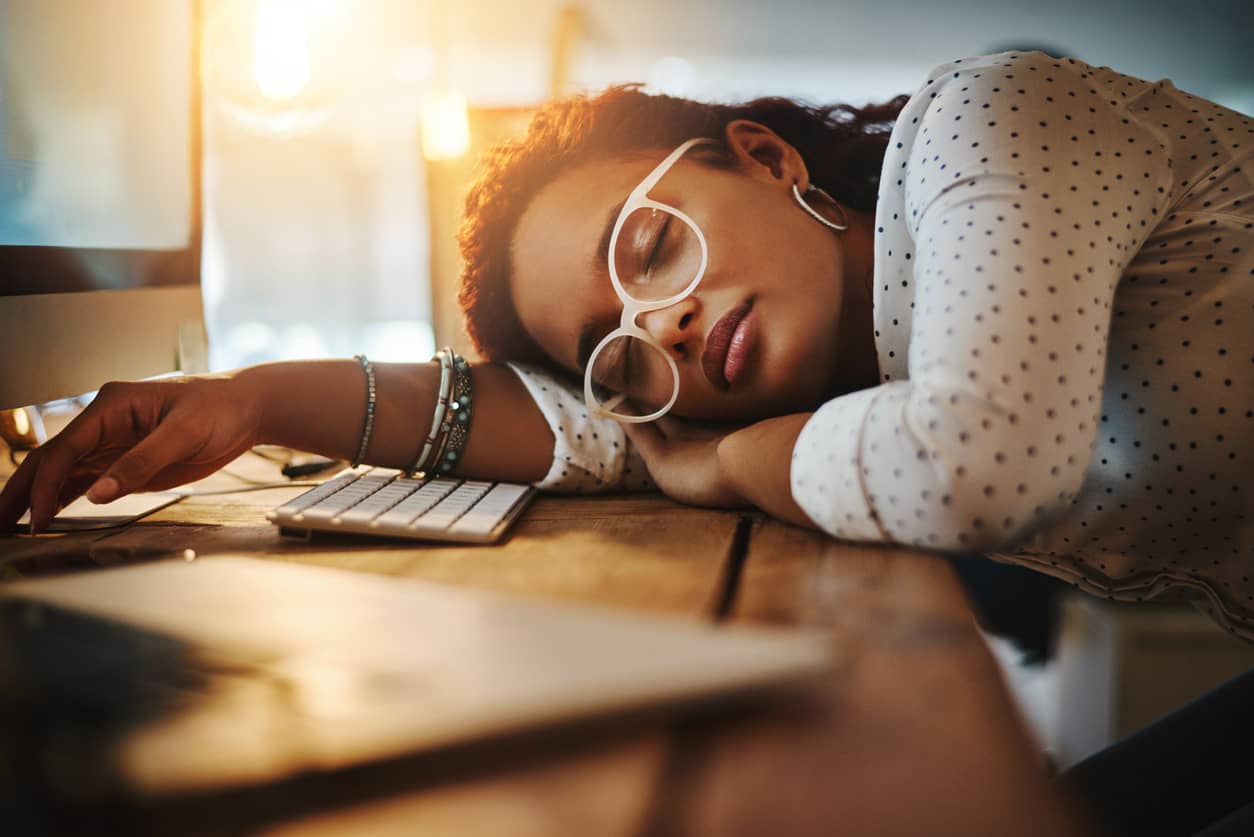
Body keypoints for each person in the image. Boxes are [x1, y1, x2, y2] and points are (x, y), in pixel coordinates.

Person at [0, 47, 1250, 834]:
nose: (666, 321)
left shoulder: (993, 119)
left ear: (762, 160)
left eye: (649, 247)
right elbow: (582, 430)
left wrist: (722, 463)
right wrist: (259, 399)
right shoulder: (813, 371)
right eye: (619, 339)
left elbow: (974, 469)